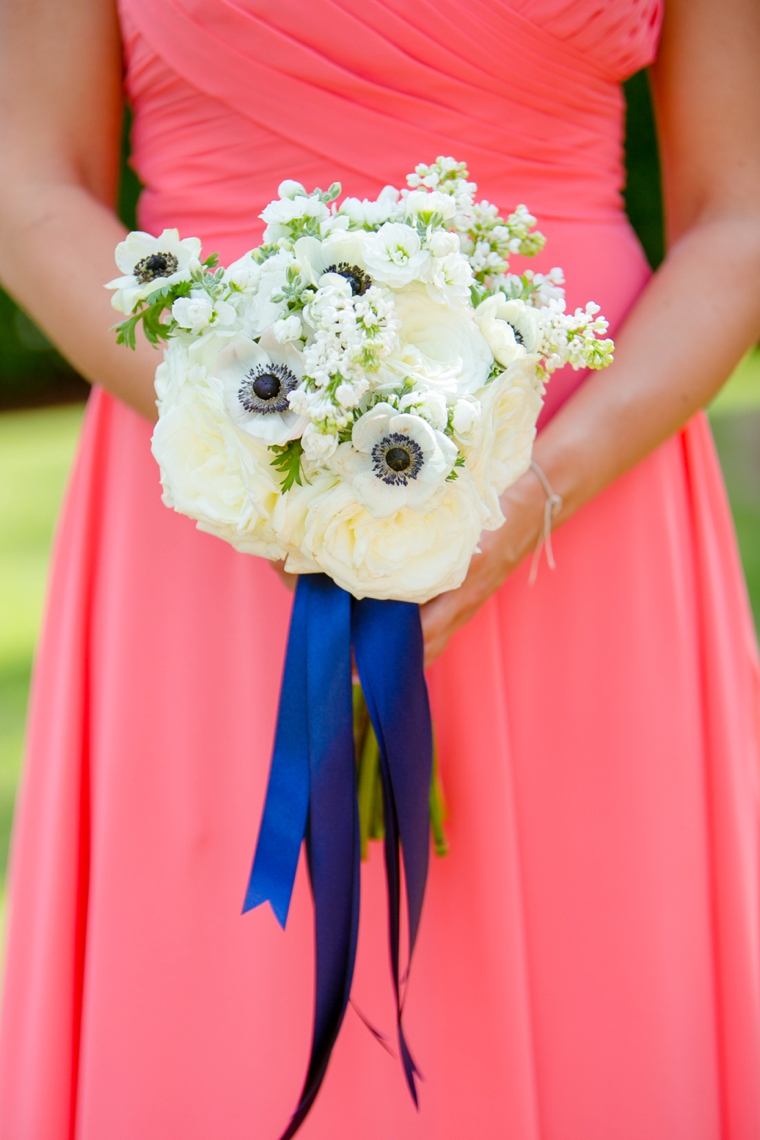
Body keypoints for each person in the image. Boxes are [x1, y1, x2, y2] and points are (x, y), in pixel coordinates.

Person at [1, 0, 759, 1136]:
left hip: (584, 468)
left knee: (592, 934)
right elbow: (27, 186)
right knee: (221, 974)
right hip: (206, 473)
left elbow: (739, 213)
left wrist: (541, 485)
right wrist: (252, 445)